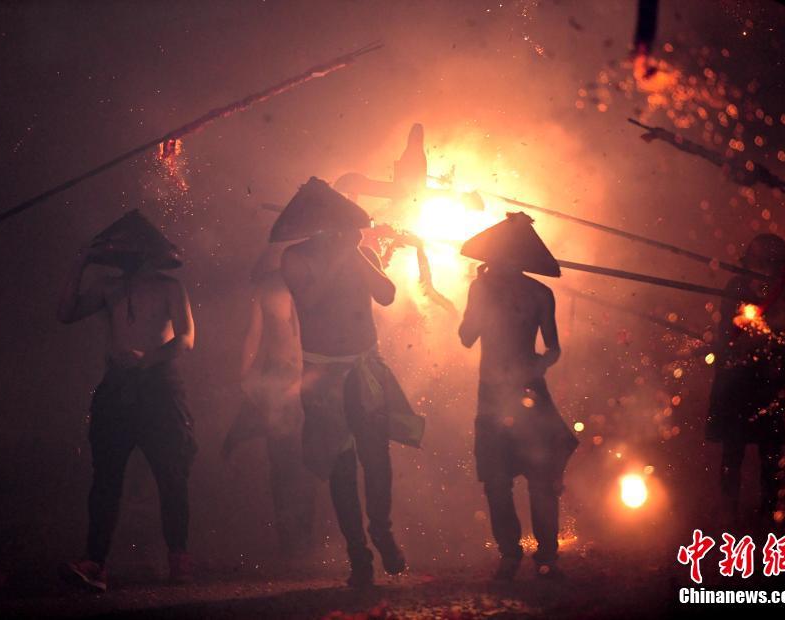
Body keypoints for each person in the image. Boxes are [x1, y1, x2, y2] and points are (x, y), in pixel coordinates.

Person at [275, 177, 425, 588]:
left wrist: (355, 256)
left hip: (365, 368)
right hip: (323, 376)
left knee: (377, 458)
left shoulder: (356, 252)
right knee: (340, 468)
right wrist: (341, 258)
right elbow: (307, 303)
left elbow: (388, 294)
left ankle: (382, 530)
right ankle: (358, 555)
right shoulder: (294, 258)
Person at [58, 210, 196, 592]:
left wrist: (148, 359)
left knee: (171, 475)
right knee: (106, 478)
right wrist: (80, 262)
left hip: (159, 388)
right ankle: (95, 562)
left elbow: (186, 337)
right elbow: (65, 313)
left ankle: (178, 558)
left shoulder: (170, 287)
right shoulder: (108, 287)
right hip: (118, 388)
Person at [458, 212, 578, 582]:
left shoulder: (540, 294)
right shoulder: (484, 290)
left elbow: (553, 348)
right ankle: (511, 553)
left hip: (527, 392)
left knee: (540, 478)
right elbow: (467, 336)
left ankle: (546, 554)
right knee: (497, 479)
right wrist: (481, 303)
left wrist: (538, 367)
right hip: (494, 393)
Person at [706, 233, 785, 527]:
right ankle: (728, 513)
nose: (762, 266)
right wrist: (735, 346)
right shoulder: (736, 287)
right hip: (736, 383)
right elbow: (726, 330)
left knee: (770, 453)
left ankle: (769, 511)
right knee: (733, 451)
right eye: (757, 260)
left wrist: (778, 359)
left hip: (768, 384)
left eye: (768, 261)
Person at [221, 243, 316, 553]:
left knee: (295, 458)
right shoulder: (276, 287)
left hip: (297, 376)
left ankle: (300, 537)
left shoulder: (294, 286)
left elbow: (296, 335)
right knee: (288, 458)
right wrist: (245, 377)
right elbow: (253, 334)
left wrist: (303, 378)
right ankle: (293, 537)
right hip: (284, 376)